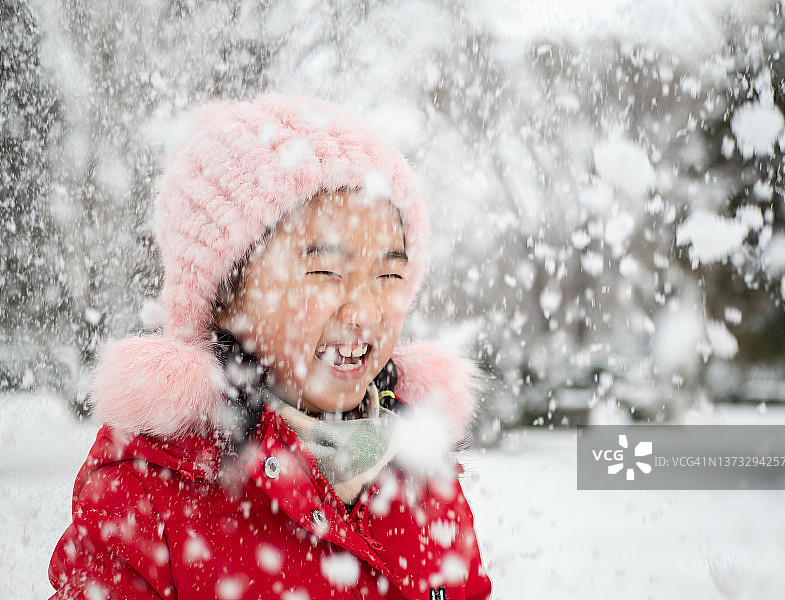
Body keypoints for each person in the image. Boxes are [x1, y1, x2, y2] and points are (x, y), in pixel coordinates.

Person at [49, 95, 492, 600]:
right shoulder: (151, 490)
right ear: (226, 298)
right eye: (326, 271)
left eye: (389, 275)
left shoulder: (423, 474)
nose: (365, 312)